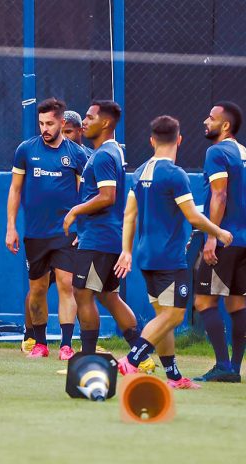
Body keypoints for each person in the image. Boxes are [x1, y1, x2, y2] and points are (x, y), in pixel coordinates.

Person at [114, 115, 233, 389]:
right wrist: (219, 231)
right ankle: (132, 361)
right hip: (169, 258)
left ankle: (174, 377)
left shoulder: (140, 170)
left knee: (163, 318)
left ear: (152, 140)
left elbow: (129, 215)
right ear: (179, 140)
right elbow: (192, 216)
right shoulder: (175, 174)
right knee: (175, 316)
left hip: (145, 257)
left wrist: (126, 251)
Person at [62, 100, 154, 373]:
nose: (85, 123)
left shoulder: (103, 155)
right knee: (108, 295)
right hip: (103, 236)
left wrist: (75, 211)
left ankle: (88, 360)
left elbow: (107, 196)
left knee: (82, 292)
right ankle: (141, 355)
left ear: (105, 123)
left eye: (89, 118)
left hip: (100, 239)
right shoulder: (110, 152)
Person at [6, 98, 87, 360]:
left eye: (50, 123)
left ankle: (65, 345)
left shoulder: (76, 154)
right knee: (38, 289)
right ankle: (39, 343)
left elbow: (86, 196)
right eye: (41, 123)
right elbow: (15, 189)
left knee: (66, 285)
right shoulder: (26, 150)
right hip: (35, 235)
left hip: (64, 234)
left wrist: (81, 230)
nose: (45, 128)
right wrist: (11, 227)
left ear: (62, 123)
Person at [193, 101, 246, 382]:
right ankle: (235, 368)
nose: (206, 121)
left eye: (211, 118)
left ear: (225, 125)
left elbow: (220, 195)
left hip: (224, 240)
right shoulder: (244, 153)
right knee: (237, 304)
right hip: (244, 241)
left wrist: (211, 236)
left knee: (204, 300)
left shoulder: (216, 152)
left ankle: (223, 366)